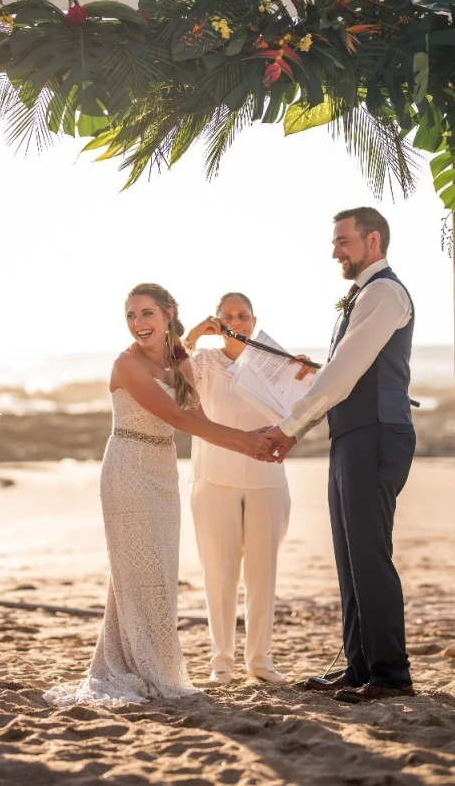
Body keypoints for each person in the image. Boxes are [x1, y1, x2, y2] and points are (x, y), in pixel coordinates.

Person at [44, 283, 274, 707]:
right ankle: (141, 669)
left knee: (160, 574)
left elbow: (197, 414)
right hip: (127, 468)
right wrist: (245, 441)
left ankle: (142, 663)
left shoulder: (178, 360)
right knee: (137, 572)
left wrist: (252, 434)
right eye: (131, 316)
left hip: (164, 471)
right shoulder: (126, 365)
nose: (137, 324)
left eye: (146, 313)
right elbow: (173, 417)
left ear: (169, 313)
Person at [266, 207, 416, 703]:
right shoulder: (362, 296)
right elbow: (340, 371)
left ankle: (391, 674)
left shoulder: (385, 293)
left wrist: (289, 429)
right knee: (349, 554)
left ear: (373, 241)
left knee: (369, 554)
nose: (335, 250)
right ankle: (359, 666)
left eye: (343, 241)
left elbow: (345, 372)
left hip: (376, 433)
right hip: (351, 433)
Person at [184, 293, 295, 685]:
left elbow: (301, 407)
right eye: (228, 315)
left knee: (263, 574)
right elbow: (165, 378)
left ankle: (260, 663)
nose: (236, 321)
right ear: (218, 321)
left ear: (253, 320)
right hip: (214, 479)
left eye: (242, 315)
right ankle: (221, 663)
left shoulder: (276, 362)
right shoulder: (203, 362)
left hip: (267, 479)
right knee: (219, 572)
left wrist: (302, 376)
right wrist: (193, 336)